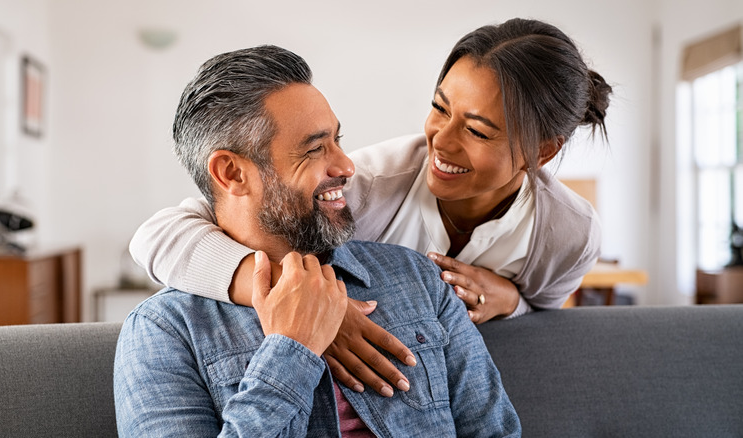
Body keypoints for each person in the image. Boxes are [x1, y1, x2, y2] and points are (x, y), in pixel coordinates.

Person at [129, 18, 611, 395]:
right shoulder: (368, 184)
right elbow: (159, 236)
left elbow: (545, 318)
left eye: (478, 130)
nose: (440, 142)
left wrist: (512, 302)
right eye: (439, 108)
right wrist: (308, 304)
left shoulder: (569, 234)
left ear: (542, 151)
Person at [114, 45, 520, 437]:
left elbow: (495, 432)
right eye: (314, 149)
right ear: (232, 174)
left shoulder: (419, 279)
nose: (346, 165)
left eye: (338, 140)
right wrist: (292, 348)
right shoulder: (164, 331)